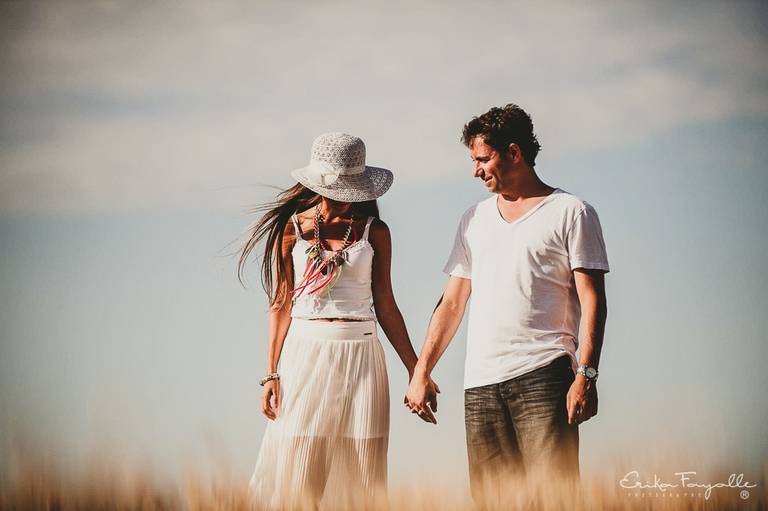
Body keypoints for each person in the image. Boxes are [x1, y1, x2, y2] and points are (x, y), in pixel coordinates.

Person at [405, 104, 610, 507]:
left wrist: (586, 374)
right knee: (493, 502)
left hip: (544, 377)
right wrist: (421, 371)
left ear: (513, 153)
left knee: (556, 499)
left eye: (483, 159)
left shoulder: (571, 212)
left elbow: (593, 300)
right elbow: (451, 304)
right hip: (480, 386)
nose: (475, 171)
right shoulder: (473, 219)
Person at [239, 132, 433, 510]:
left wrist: (416, 370)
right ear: (319, 187)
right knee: (300, 473)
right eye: (342, 190)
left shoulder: (375, 232)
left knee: (363, 477)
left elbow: (386, 304)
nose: (350, 199)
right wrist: (271, 373)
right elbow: (281, 303)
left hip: (362, 354)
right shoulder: (292, 230)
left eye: (355, 190)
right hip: (305, 355)